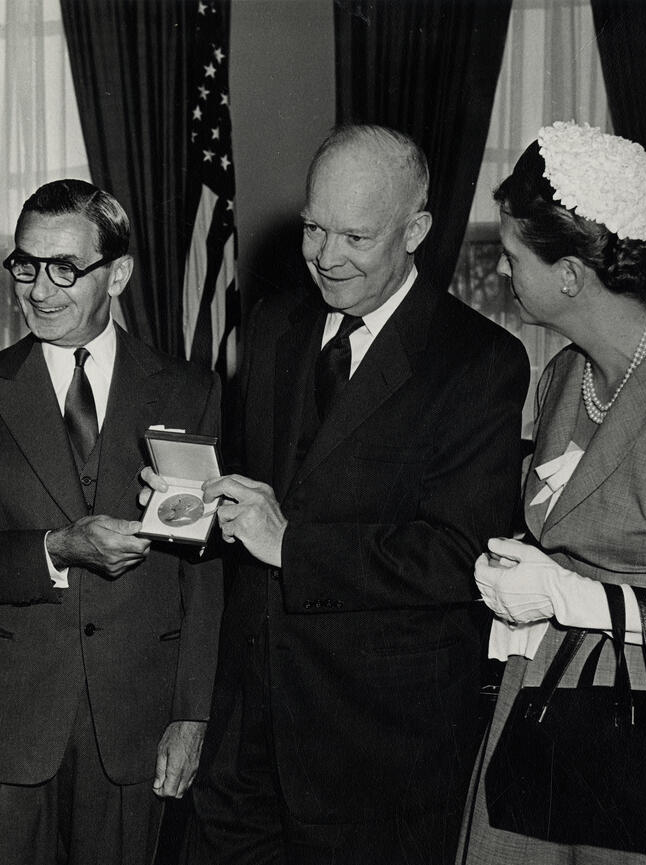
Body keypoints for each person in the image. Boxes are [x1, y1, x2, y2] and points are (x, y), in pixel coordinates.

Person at [174, 124, 530, 864]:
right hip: (248, 745)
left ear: (417, 232)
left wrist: (291, 545)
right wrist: (194, 505)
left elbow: (455, 555)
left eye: (356, 238)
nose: (326, 258)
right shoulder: (275, 326)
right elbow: (263, 498)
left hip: (375, 756)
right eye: (313, 228)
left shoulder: (480, 361)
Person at [464, 121, 646, 864]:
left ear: (569, 274)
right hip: (550, 694)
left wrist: (567, 597)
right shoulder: (565, 376)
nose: (503, 273)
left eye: (512, 258)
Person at [0, 179, 224, 865]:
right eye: (25, 265)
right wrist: (56, 547)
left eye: (65, 268)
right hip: (7, 730)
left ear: (117, 273)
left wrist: (192, 711)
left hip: (134, 728)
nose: (39, 289)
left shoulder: (188, 390)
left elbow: (202, 574)